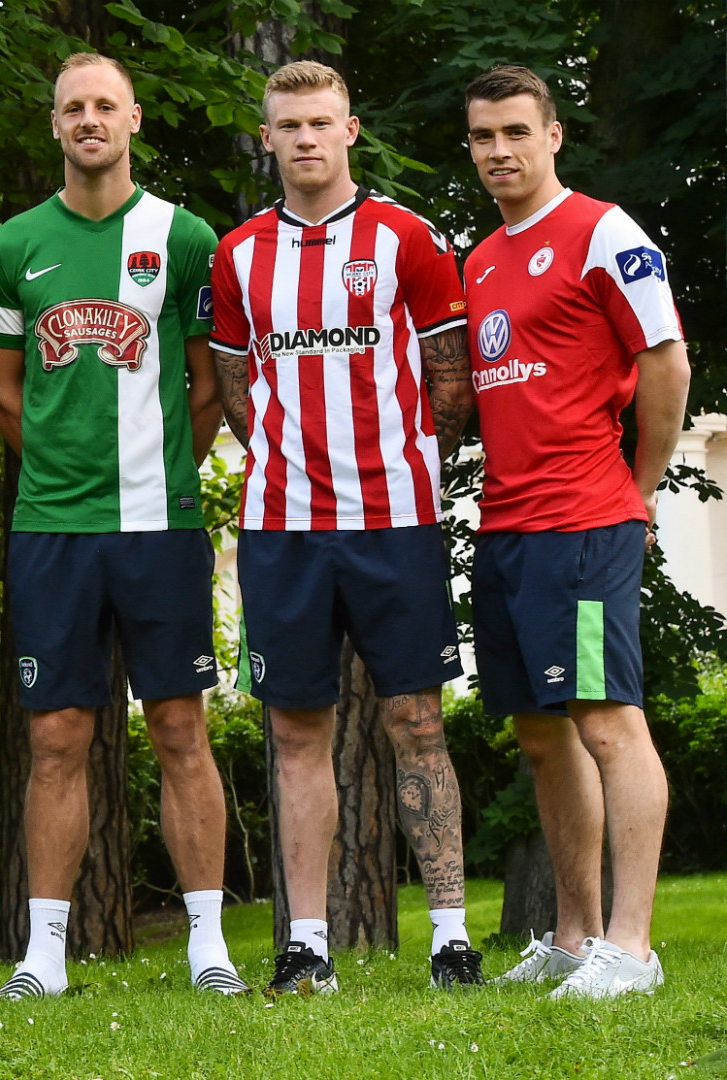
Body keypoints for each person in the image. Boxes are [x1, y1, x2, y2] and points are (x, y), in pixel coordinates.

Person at [208, 61, 482, 994]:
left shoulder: (408, 237)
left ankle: (451, 939)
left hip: (393, 517)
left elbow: (451, 384)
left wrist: (401, 465)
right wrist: (291, 463)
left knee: (417, 722)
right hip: (283, 524)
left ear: (350, 130)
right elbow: (239, 389)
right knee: (296, 730)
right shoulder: (239, 253)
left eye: (321, 122)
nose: (306, 139)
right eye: (289, 125)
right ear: (268, 138)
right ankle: (307, 947)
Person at [0, 53, 242, 999]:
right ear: (54, 124)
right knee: (56, 736)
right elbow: (2, 393)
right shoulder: (12, 245)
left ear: (132, 119)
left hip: (158, 521)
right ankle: (44, 956)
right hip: (53, 526)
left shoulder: (186, 236)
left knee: (179, 726)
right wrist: (61, 467)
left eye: (105, 105)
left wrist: (163, 471)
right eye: (72, 108)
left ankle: (209, 945)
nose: (89, 119)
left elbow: (209, 384)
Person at [462, 66, 686, 998]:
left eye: (517, 131)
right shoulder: (480, 259)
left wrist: (640, 490)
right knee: (541, 733)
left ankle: (631, 949)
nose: (500, 151)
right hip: (508, 527)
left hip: (586, 520)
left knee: (606, 720)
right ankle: (572, 937)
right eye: (483, 136)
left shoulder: (604, 231)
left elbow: (666, 362)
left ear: (554, 136)